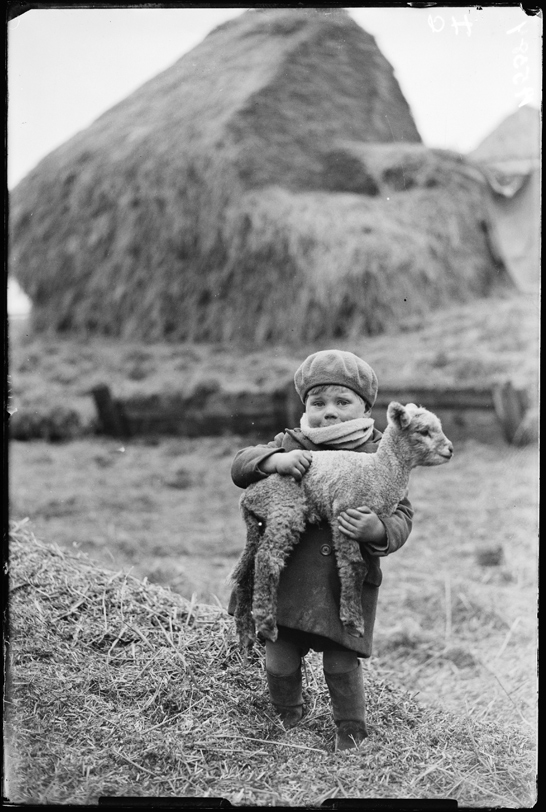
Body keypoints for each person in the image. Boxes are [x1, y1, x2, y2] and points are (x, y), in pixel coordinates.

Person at [229, 349, 413, 751]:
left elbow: (403, 515)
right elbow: (240, 466)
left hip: (340, 582)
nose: (329, 413)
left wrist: (378, 529)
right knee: (280, 655)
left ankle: (351, 728)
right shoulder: (293, 443)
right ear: (305, 407)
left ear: (366, 407)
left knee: (341, 660)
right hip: (293, 576)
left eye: (342, 402)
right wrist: (275, 460)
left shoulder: (380, 452)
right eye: (318, 403)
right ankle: (286, 715)